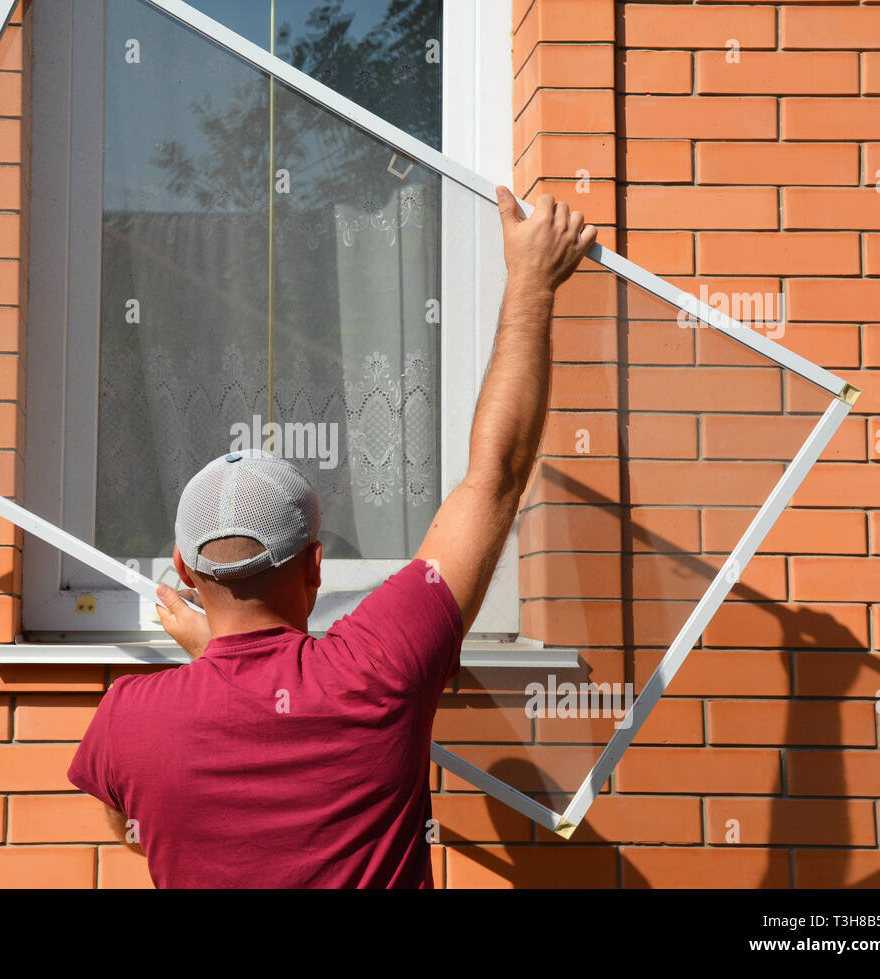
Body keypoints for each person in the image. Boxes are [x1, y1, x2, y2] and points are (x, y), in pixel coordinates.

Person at [68, 189, 597, 887]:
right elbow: (493, 478)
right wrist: (531, 283)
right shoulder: (376, 669)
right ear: (315, 564)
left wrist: (215, 666)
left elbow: (131, 827)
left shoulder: (127, 722)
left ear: (184, 571)